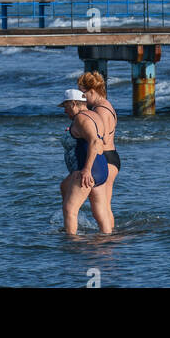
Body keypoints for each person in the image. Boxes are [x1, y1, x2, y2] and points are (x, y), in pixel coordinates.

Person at [59, 88, 111, 235]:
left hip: (87, 169)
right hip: (101, 167)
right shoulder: (95, 115)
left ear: (74, 103)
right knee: (100, 212)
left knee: (70, 209)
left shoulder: (81, 119)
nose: (65, 111)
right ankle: (107, 241)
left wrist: (86, 170)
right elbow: (103, 140)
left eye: (66, 106)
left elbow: (94, 142)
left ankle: (71, 243)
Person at [77, 70, 119, 233]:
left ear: (92, 91)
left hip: (106, 159)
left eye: (83, 93)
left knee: (99, 206)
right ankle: (110, 234)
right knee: (105, 205)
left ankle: (106, 237)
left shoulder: (100, 110)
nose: (82, 98)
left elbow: (100, 141)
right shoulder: (105, 105)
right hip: (112, 157)